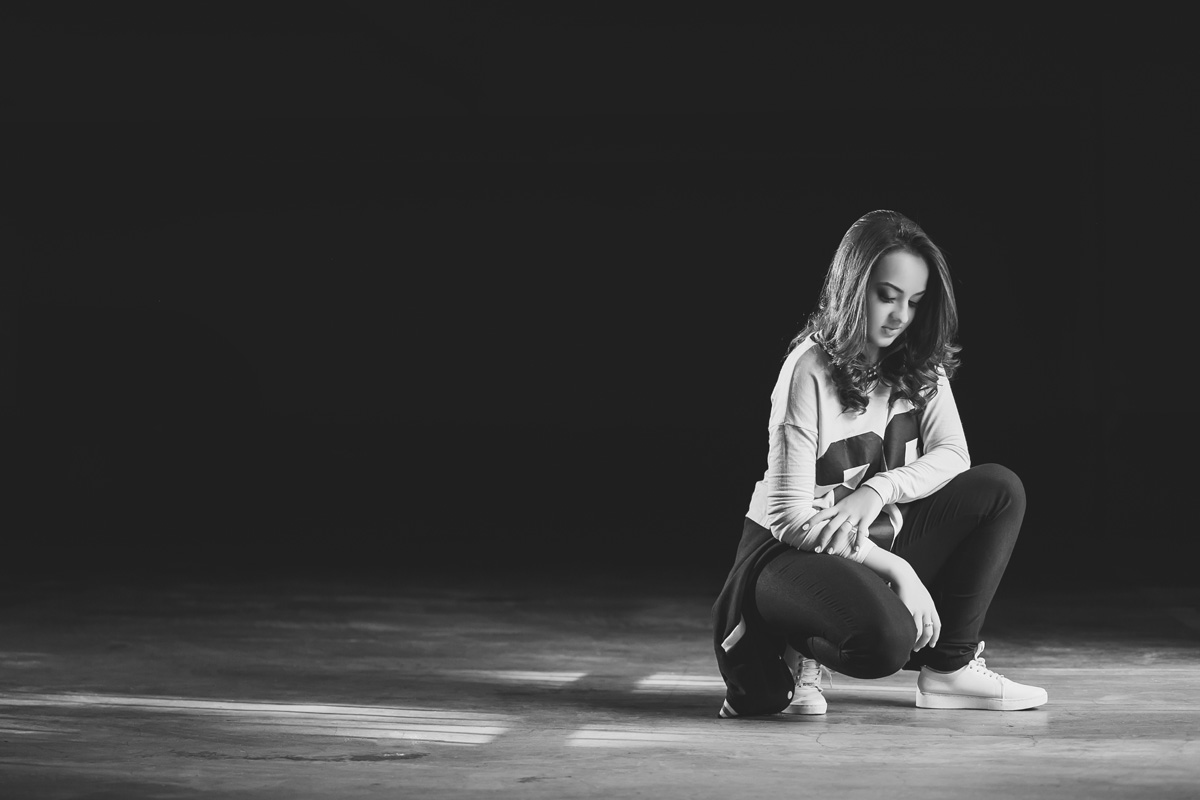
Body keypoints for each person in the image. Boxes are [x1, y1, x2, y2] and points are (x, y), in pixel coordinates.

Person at [711, 209, 1046, 717]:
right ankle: (797, 645)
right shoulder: (807, 370)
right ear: (854, 288)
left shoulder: (918, 359)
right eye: (887, 296)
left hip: (870, 536)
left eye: (914, 302)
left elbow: (955, 455)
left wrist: (879, 490)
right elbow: (789, 517)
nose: (900, 316)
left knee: (999, 489)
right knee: (885, 645)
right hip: (786, 554)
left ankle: (949, 671)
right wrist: (898, 571)